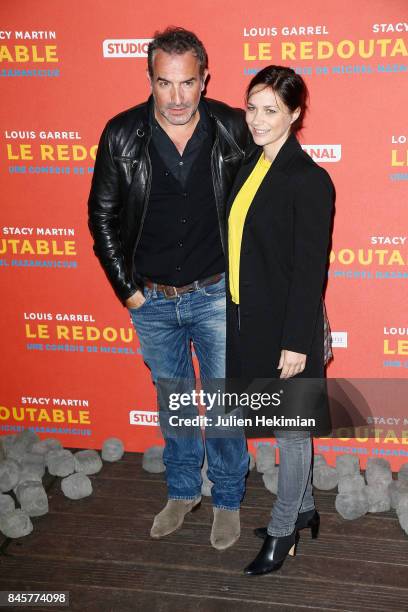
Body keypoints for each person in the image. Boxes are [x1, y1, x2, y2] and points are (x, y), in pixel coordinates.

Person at [88, 27, 249, 550]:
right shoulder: (120, 134)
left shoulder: (232, 129)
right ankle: (183, 490)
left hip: (215, 293)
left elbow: (266, 209)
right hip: (151, 299)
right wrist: (128, 292)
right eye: (165, 84)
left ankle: (226, 497)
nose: (177, 98)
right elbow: (103, 216)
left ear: (205, 79)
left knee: (224, 402)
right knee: (176, 401)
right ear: (150, 81)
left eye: (187, 83)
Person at [226, 65, 334, 575]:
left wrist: (296, 343)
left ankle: (284, 527)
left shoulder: (309, 179)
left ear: (294, 113)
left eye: (271, 110)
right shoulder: (250, 164)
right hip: (253, 321)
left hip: (289, 328)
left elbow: (310, 271)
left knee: (290, 431)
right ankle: (307, 508)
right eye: (252, 107)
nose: (257, 119)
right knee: (280, 424)